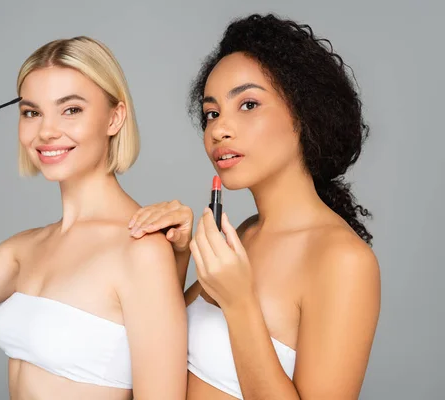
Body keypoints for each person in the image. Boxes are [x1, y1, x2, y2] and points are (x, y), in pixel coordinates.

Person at [0, 36, 187, 400]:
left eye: (71, 109)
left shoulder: (141, 249)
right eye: (32, 112)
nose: (46, 131)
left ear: (114, 118)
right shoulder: (27, 248)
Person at [128, 14, 381, 399]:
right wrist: (179, 258)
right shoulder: (244, 232)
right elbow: (162, 353)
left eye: (247, 104)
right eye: (211, 112)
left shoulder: (343, 260)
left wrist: (240, 303)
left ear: (305, 114)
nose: (218, 129)